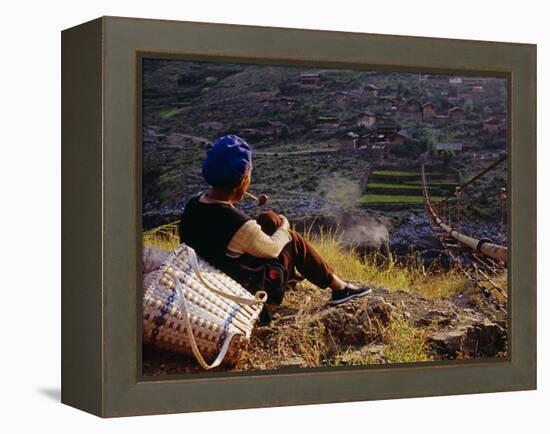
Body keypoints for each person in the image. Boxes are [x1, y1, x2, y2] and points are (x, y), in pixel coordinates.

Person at [178, 135, 371, 321]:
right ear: (243, 180)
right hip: (246, 291)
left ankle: (293, 276)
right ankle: (339, 288)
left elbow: (221, 230)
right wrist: (285, 226)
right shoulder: (237, 224)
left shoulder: (194, 204)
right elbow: (272, 249)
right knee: (292, 239)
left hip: (215, 278)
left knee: (267, 218)